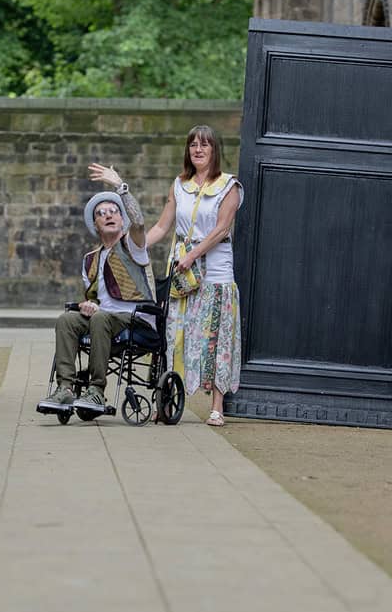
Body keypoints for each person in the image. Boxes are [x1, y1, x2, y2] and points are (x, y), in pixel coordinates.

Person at [144, 125, 243, 427]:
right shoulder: (180, 184)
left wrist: (192, 255)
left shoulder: (229, 186)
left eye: (204, 145)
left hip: (214, 271)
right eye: (193, 145)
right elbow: (162, 227)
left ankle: (217, 406)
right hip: (182, 274)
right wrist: (134, 247)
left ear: (215, 150)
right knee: (175, 332)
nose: (198, 150)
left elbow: (222, 229)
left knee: (215, 334)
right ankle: (169, 398)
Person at [38, 168, 155, 414]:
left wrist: (121, 187)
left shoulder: (133, 246)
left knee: (101, 319)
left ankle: (97, 391)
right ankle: (65, 388)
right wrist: (87, 305)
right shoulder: (89, 259)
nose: (109, 215)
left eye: (114, 211)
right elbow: (94, 300)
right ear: (95, 224)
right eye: (101, 213)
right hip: (103, 320)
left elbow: (139, 222)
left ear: (122, 219)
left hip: (136, 320)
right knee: (67, 320)